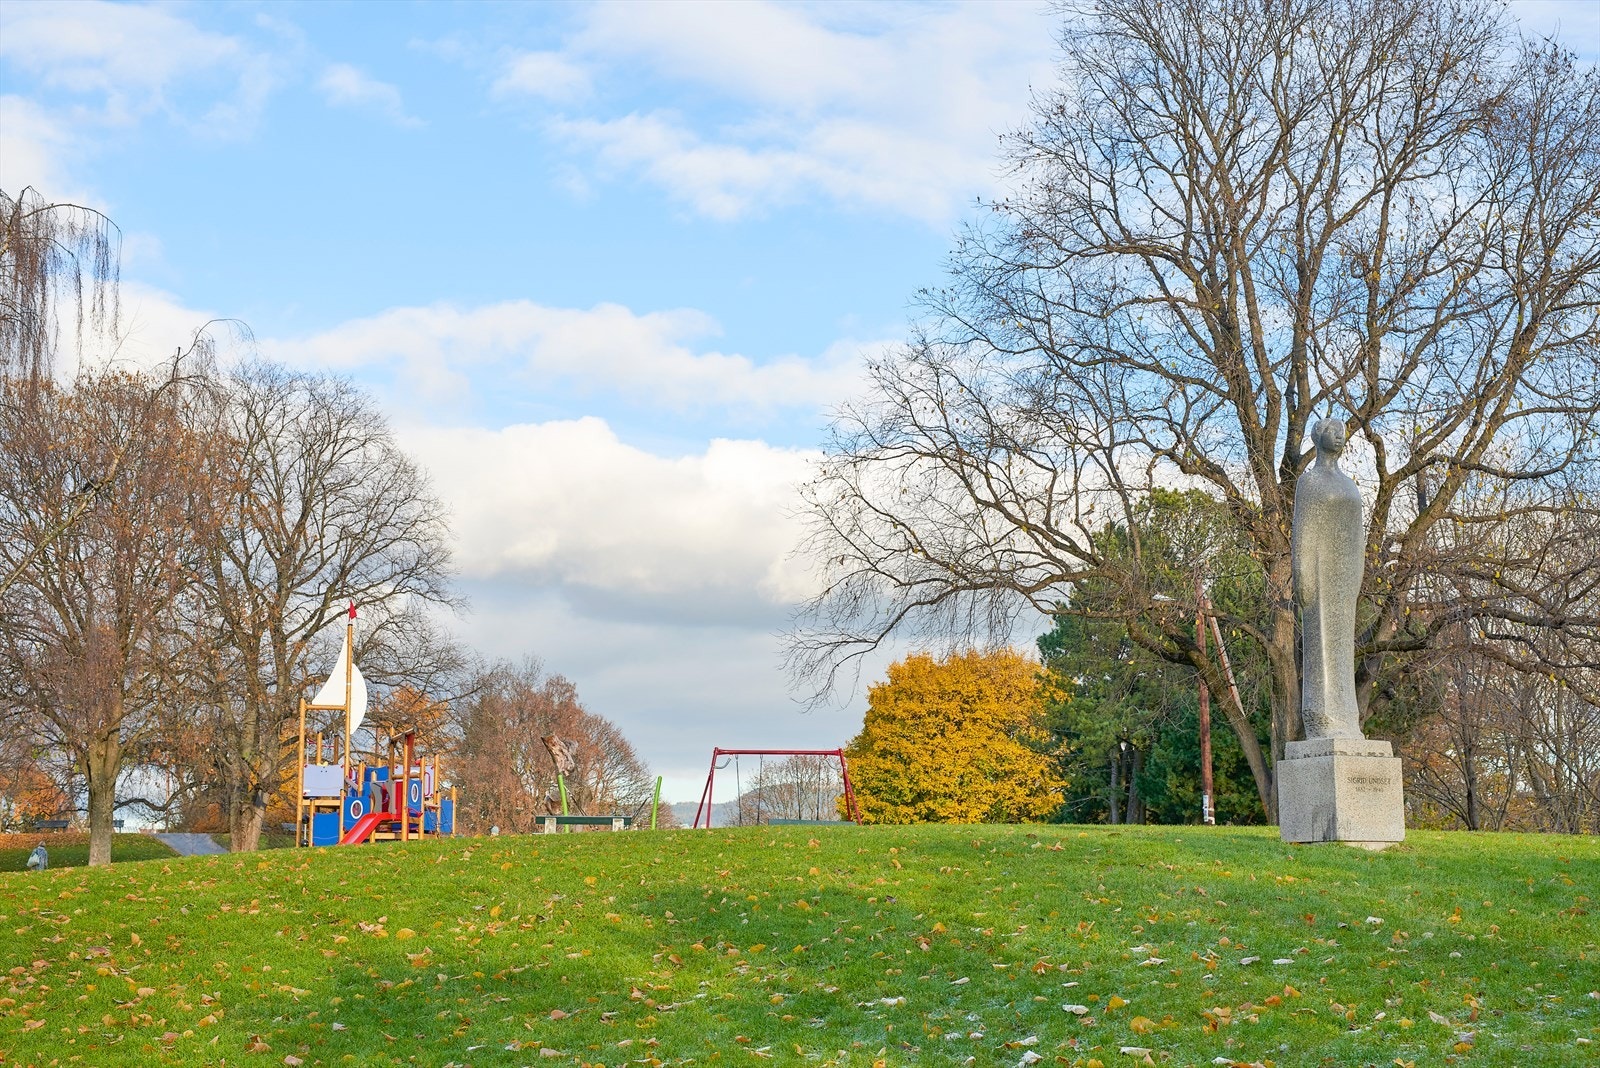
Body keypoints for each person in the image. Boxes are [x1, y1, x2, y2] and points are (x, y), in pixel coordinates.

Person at [1291, 417, 1366, 739]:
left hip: (1346, 572)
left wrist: (1359, 570)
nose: (1339, 436)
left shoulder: (1349, 484)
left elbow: (1358, 534)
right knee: (1321, 643)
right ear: (1318, 436)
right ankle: (1320, 717)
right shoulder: (1309, 483)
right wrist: (1302, 574)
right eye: (1332, 431)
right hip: (1320, 570)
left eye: (1343, 432)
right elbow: (1303, 532)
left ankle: (1347, 718)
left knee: (1342, 645)